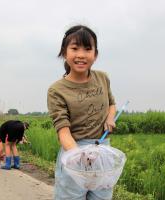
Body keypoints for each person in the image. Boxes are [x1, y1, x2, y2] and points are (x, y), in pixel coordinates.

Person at [47, 25, 116, 200]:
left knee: (102, 197)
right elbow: (63, 132)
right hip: (74, 153)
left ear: (95, 54)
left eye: (87, 49)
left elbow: (112, 103)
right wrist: (80, 156)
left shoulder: (102, 78)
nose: (81, 55)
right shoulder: (57, 90)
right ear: (64, 52)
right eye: (75, 48)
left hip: (102, 152)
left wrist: (110, 117)